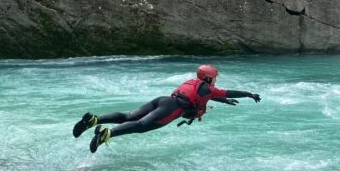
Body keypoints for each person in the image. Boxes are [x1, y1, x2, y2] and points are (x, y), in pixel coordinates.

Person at [72, 65, 261, 153]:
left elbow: (204, 95)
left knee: (128, 116)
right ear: (209, 78)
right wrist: (249, 94)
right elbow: (227, 92)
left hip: (163, 100)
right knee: (140, 125)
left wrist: (224, 101)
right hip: (173, 108)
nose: (216, 80)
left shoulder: (195, 83)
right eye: (215, 77)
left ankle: (94, 120)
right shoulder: (208, 87)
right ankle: (107, 134)